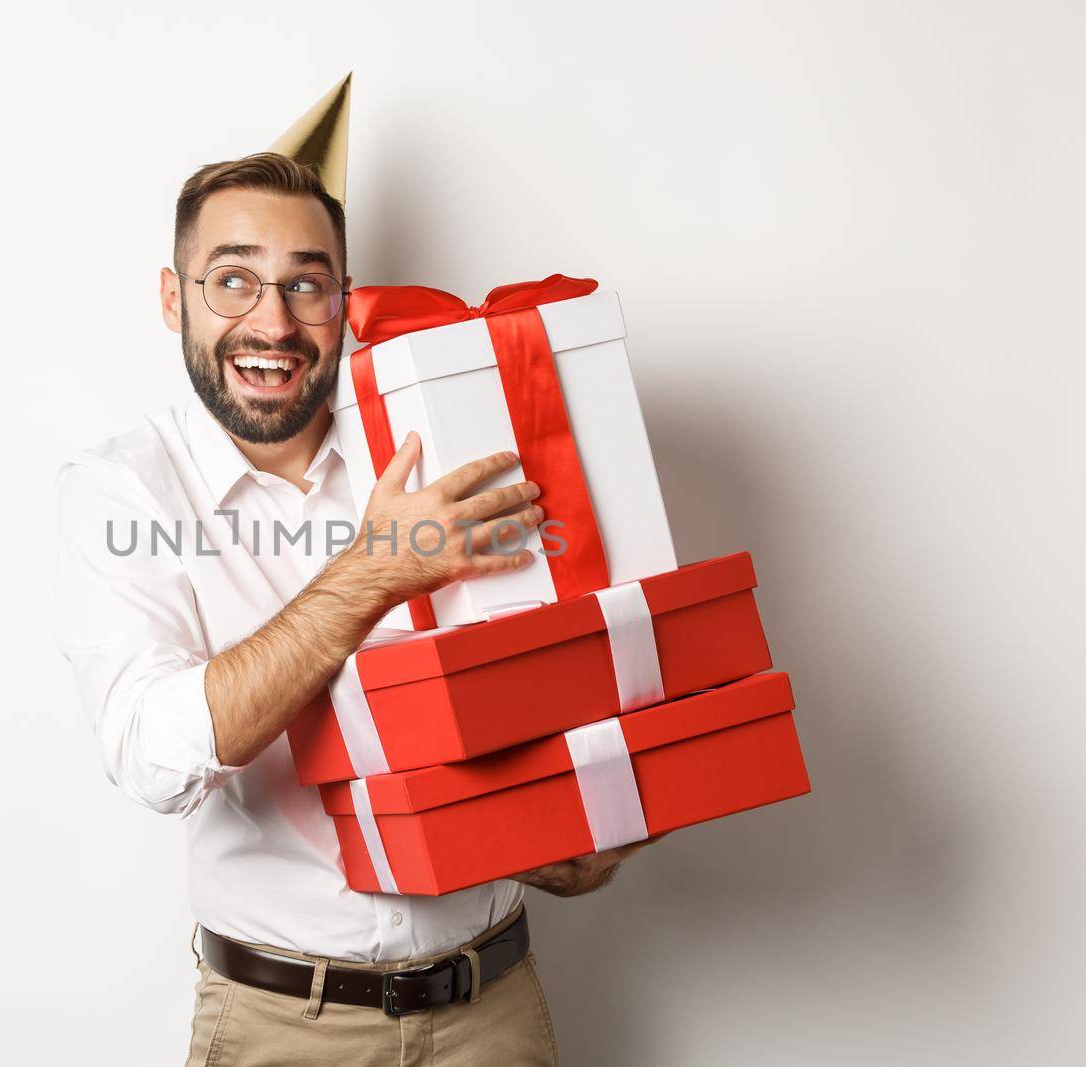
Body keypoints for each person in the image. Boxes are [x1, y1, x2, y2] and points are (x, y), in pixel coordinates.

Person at [53, 149, 652, 1065]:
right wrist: (373, 570)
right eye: (233, 280)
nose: (273, 320)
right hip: (281, 1025)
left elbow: (546, 686)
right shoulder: (125, 492)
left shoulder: (437, 436)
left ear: (345, 302)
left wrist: (589, 820)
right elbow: (154, 756)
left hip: (491, 1007)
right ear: (174, 299)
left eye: (307, 285)